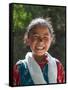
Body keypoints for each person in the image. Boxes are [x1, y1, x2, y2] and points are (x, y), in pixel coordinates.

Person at [13, 18, 65, 86]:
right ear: (28, 39)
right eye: (36, 36)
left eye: (45, 37)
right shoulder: (20, 67)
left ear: (51, 40)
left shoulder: (58, 65)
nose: (41, 41)